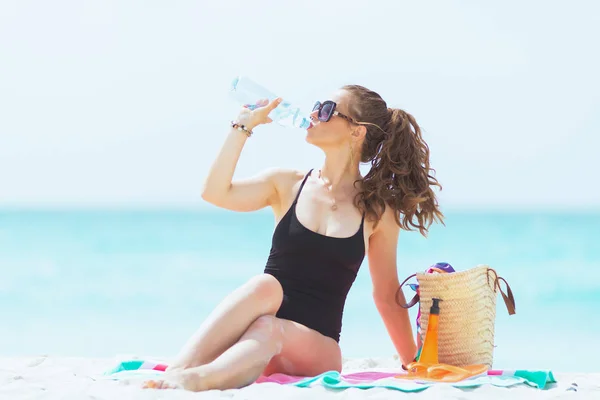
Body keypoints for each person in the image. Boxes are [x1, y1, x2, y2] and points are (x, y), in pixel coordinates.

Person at [142, 84, 445, 391]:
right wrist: (243, 126)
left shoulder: (378, 211)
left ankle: (194, 381)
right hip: (257, 340)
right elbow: (214, 192)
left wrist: (412, 363)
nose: (314, 113)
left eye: (327, 109)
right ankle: (179, 370)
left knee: (270, 327)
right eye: (317, 105)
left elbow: (385, 295)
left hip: (317, 348)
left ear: (357, 132)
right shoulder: (286, 184)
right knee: (266, 286)